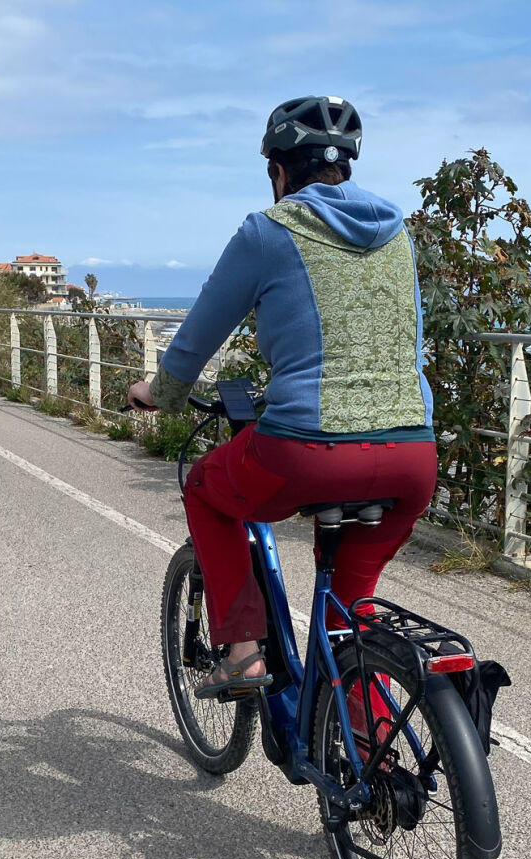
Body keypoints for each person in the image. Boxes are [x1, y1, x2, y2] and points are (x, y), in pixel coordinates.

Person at [127, 95, 437, 698]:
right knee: (350, 613)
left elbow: (196, 339)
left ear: (277, 172)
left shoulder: (268, 231)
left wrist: (158, 392)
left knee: (206, 492)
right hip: (411, 454)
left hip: (307, 451)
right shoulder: (397, 234)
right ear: (345, 167)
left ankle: (242, 653)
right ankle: (367, 759)